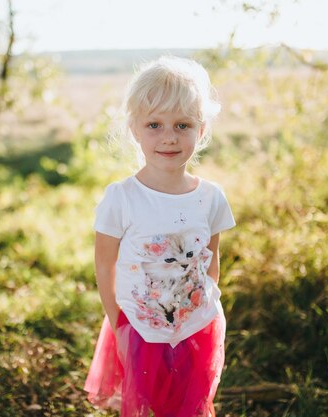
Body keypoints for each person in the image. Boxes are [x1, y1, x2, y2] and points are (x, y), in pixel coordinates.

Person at [84, 56, 236, 417]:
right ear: (135, 129)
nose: (169, 137)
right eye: (155, 124)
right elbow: (105, 266)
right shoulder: (121, 198)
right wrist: (118, 322)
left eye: (182, 125)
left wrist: (201, 309)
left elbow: (211, 259)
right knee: (148, 403)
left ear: (200, 131)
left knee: (188, 404)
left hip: (197, 325)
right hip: (141, 329)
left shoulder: (211, 197)